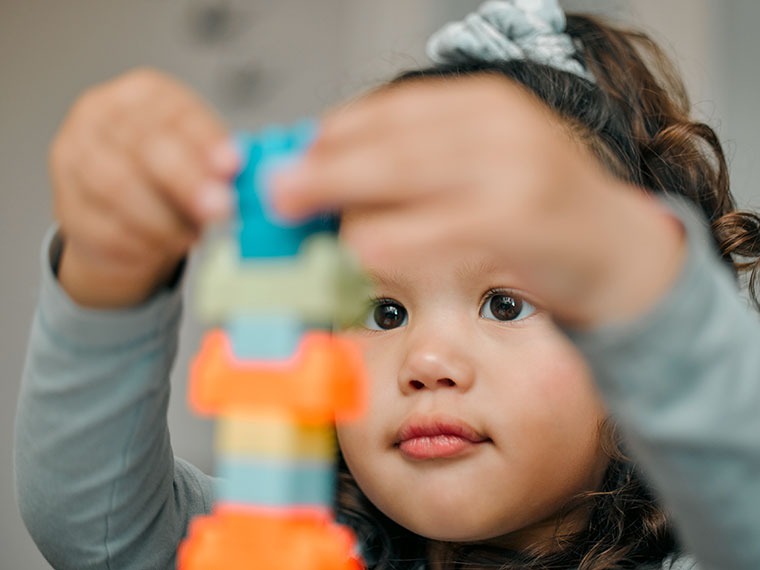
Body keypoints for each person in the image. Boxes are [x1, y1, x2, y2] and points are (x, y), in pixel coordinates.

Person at [14, 1, 760, 569]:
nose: (425, 360)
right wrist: (110, 273)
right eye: (385, 310)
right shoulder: (313, 546)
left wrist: (641, 275)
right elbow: (96, 528)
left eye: (504, 303)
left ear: (632, 350)